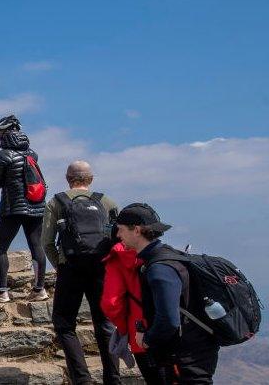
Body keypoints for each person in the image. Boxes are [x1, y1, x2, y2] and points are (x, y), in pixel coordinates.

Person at [116, 204, 220, 384]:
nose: (118, 236)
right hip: (195, 350)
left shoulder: (159, 269)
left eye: (121, 230)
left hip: (184, 357)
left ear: (137, 230)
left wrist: (147, 340)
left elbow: (170, 320)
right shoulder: (167, 255)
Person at [41, 161, 121, 385]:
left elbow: (46, 243)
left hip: (71, 268)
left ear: (68, 178)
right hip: (102, 269)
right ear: (91, 179)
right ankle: (113, 380)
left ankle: (82, 379)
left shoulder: (56, 202)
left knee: (65, 323)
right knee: (105, 325)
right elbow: (120, 240)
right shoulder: (107, 202)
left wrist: (61, 265)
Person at [0, 115, 47, 303]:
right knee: (36, 245)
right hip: (36, 205)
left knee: (0, 247)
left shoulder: (2, 156)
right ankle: (39, 289)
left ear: (3, 136)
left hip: (13, 207)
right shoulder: (32, 154)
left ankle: (2, 291)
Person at [102, 241, 165, 384]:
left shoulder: (117, 258)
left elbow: (111, 303)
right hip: (169, 330)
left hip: (140, 333)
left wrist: (124, 329)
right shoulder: (159, 252)